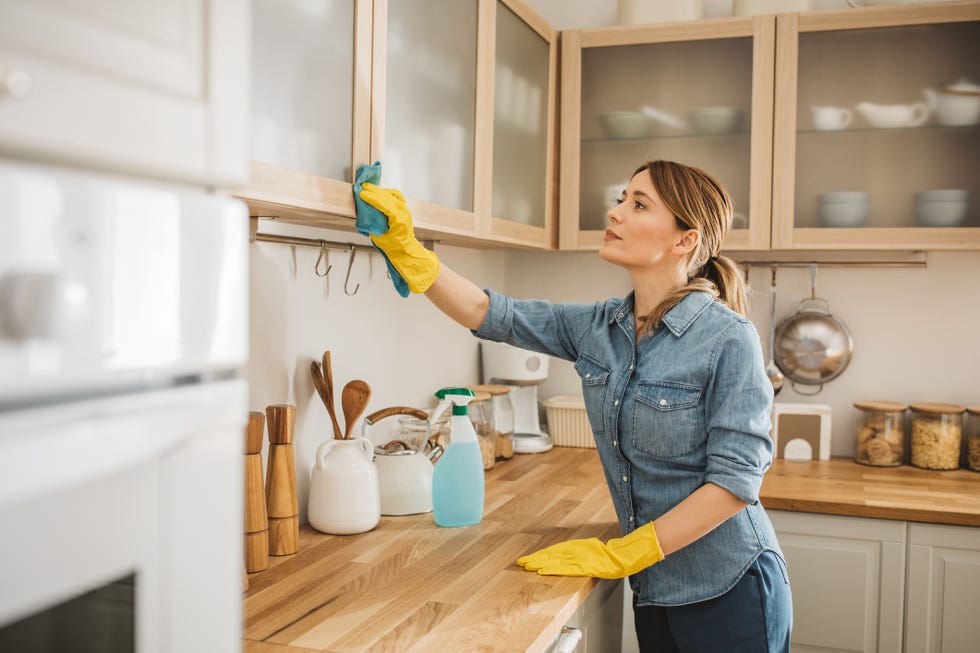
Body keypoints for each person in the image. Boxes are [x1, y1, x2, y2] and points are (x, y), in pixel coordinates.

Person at [358, 160, 792, 652]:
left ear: (684, 240)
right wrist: (409, 252)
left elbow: (736, 482)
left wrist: (627, 552)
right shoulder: (600, 329)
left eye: (639, 204)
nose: (616, 212)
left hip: (730, 588)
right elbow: (492, 313)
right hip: (654, 588)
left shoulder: (728, 339)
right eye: (622, 197)